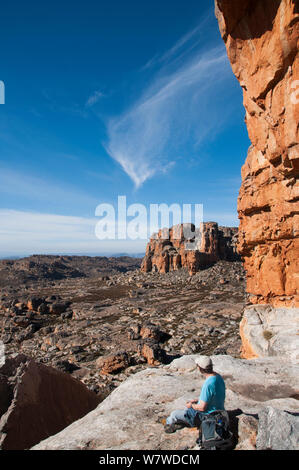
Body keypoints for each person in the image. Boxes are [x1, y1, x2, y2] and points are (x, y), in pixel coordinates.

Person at [164, 356, 226, 433]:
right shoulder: (218, 377)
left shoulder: (208, 384)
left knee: (174, 414)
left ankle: (169, 425)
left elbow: (202, 408)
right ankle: (182, 421)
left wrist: (192, 405)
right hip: (220, 412)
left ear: (200, 368)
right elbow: (212, 396)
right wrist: (198, 400)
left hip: (206, 416)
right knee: (187, 410)